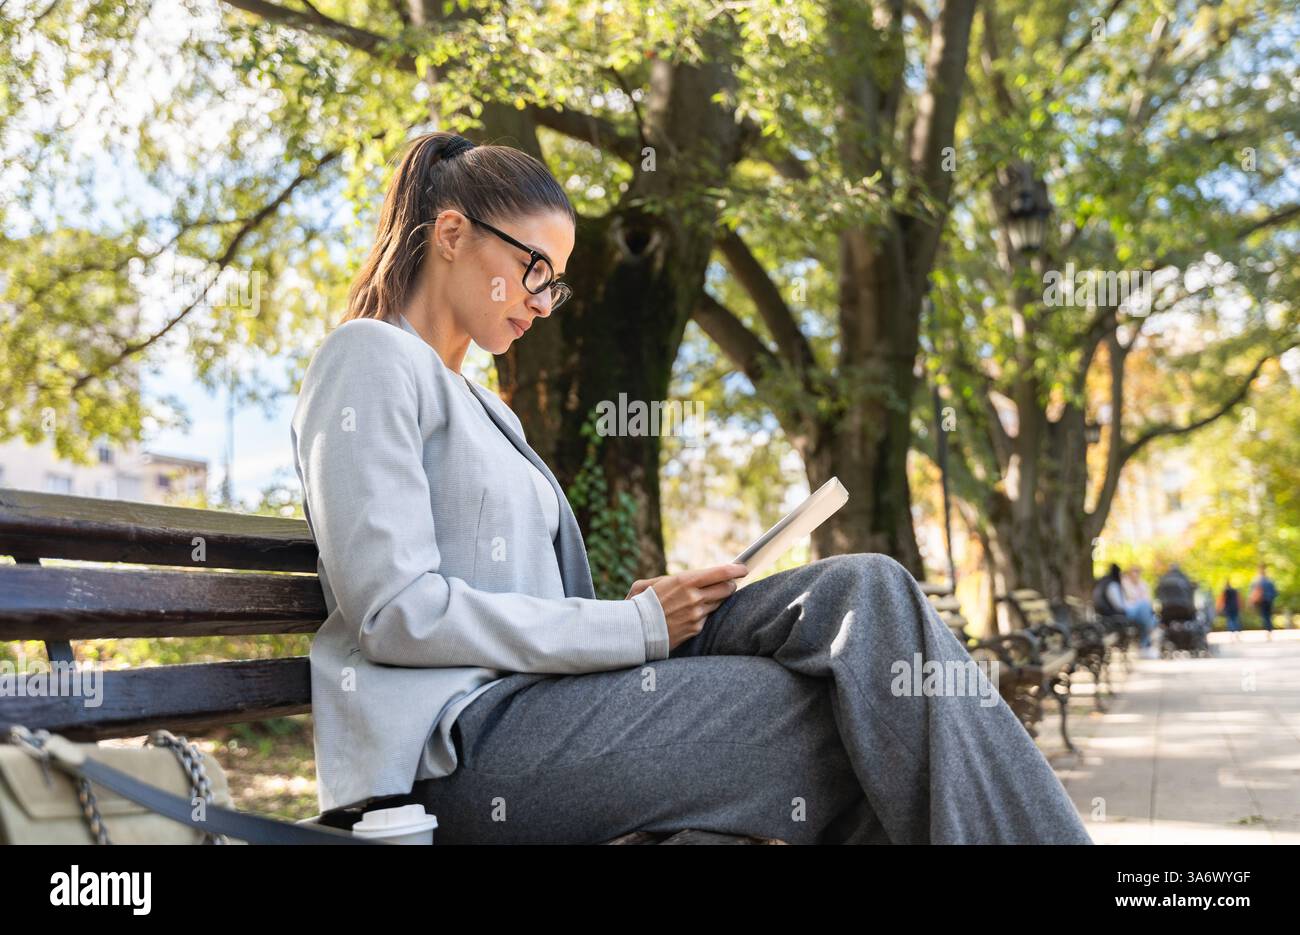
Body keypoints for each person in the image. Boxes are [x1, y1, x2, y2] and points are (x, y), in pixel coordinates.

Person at [289, 131, 1092, 845]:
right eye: (533, 268)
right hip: (459, 751)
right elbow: (396, 612)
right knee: (864, 717)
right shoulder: (370, 357)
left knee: (867, 592)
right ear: (454, 236)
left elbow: (529, 604)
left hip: (549, 709)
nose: (542, 301)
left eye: (556, 282)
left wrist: (639, 613)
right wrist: (635, 629)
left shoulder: (483, 405)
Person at [1095, 564, 1157, 658]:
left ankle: (1145, 644)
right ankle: (1145, 645)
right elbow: (1119, 606)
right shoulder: (1113, 585)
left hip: (1120, 613)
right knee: (1145, 607)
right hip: (1119, 614)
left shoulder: (1109, 584)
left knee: (1149, 616)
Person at [1248, 563, 1279, 641]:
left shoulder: (1256, 581)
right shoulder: (1269, 580)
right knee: (1268, 616)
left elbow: (1252, 593)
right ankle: (1269, 630)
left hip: (1262, 601)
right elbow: (1275, 592)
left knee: (1265, 616)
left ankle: (1268, 630)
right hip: (1269, 601)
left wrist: (1252, 601)